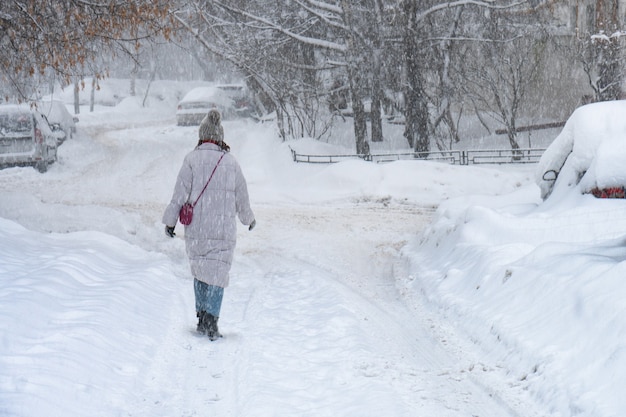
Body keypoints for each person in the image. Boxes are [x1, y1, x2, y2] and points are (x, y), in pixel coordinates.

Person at [162, 109, 256, 340]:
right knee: (217, 272)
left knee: (201, 270)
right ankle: (212, 320)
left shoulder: (191, 160)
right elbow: (241, 196)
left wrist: (170, 221)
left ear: (202, 135)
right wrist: (248, 219)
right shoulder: (231, 162)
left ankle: (202, 315)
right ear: (220, 137)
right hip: (223, 230)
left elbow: (179, 194)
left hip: (198, 230)